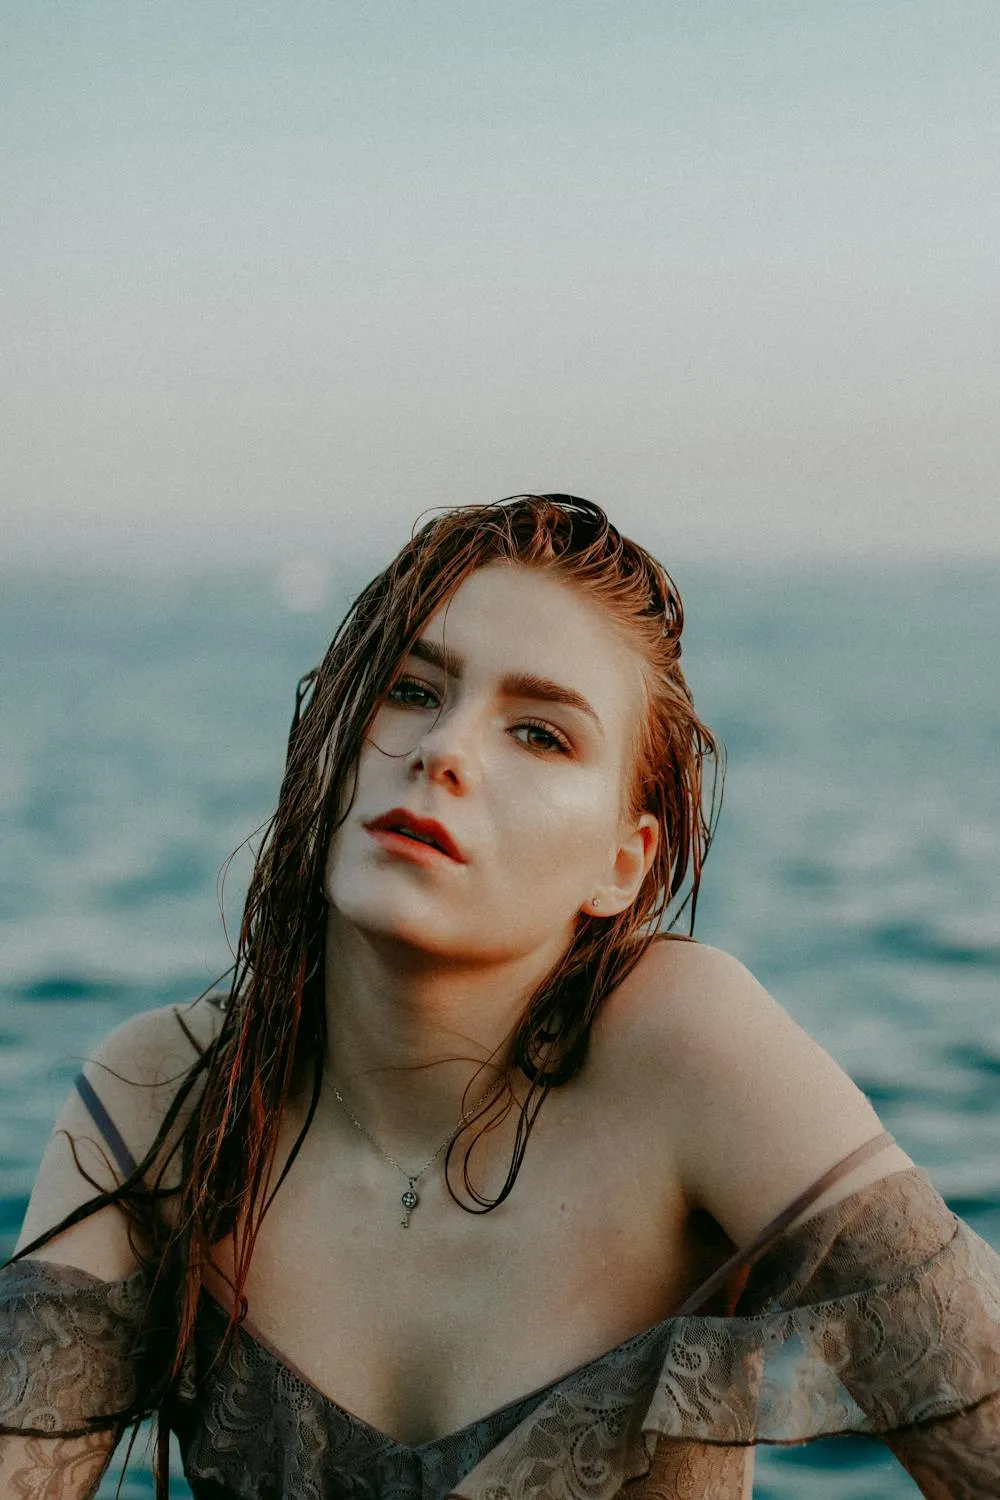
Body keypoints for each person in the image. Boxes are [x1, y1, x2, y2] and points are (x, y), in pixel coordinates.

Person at [2, 494, 998, 1500]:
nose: (445, 751)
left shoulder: (687, 1052)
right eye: (409, 689)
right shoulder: (164, 1091)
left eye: (538, 734)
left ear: (622, 861)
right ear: (332, 738)